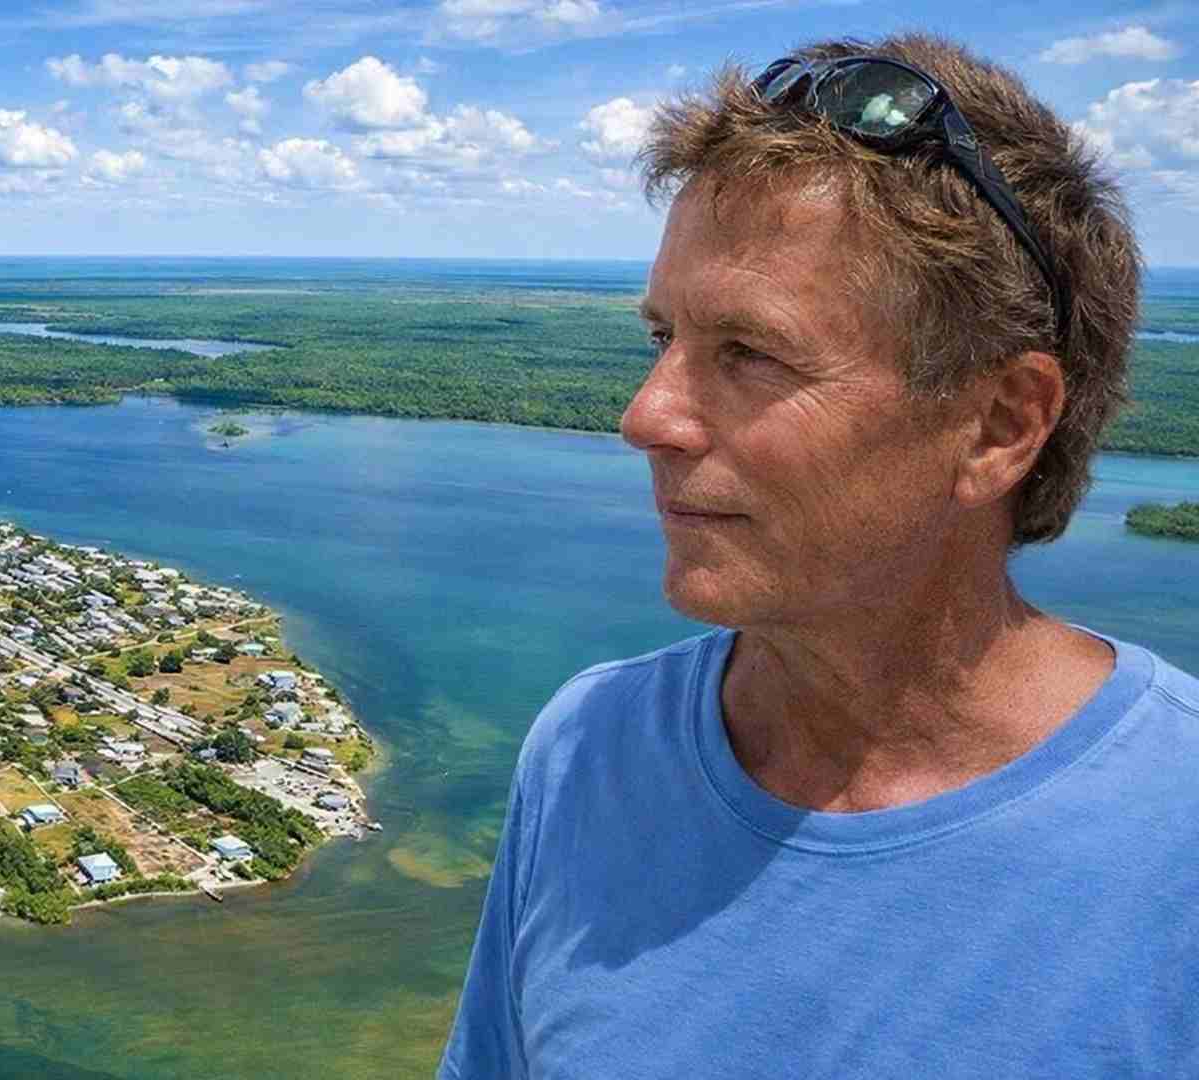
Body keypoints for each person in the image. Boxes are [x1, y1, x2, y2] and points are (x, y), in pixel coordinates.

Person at [439, 32, 1198, 1078]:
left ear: (997, 426)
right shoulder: (587, 753)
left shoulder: (1177, 841)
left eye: (749, 354)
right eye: (661, 339)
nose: (645, 417)